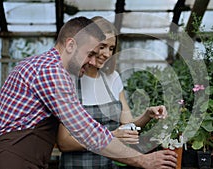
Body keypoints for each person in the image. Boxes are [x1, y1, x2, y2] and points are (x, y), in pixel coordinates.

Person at [0, 16, 177, 169]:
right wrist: (143, 161)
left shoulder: (45, 66)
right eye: (90, 53)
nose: (94, 61)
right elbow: (86, 131)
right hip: (10, 160)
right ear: (70, 45)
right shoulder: (52, 71)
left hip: (21, 159)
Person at [57, 16, 169, 169]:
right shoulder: (69, 79)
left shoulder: (112, 78)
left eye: (111, 48)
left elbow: (127, 126)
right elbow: (64, 142)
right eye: (102, 46)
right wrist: (111, 136)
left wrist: (147, 115)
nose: (107, 54)